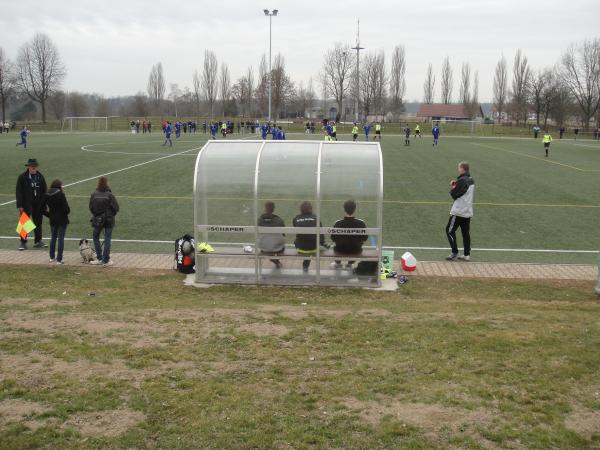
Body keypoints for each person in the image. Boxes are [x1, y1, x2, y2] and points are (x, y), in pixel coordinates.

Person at [446, 161, 475, 262]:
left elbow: (454, 194)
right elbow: (464, 189)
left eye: (459, 168)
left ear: (462, 169)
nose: (458, 169)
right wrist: (456, 183)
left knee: (449, 231)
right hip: (467, 211)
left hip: (459, 211)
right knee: (465, 233)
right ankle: (467, 254)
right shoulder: (471, 180)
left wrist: (453, 186)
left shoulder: (462, 180)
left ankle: (455, 252)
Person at [15, 158, 47, 250]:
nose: (33, 168)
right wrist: (20, 205)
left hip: (38, 203)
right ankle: (23, 242)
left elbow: (44, 191)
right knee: (24, 222)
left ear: (37, 167)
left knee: (38, 222)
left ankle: (38, 241)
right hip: (26, 204)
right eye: (32, 166)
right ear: (28, 167)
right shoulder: (22, 177)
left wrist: (45, 204)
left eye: (35, 166)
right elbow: (19, 192)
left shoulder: (40, 176)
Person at [89, 176, 119, 267]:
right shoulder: (109, 195)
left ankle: (99, 258)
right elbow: (116, 208)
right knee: (107, 239)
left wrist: (96, 214)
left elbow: (91, 207)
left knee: (95, 237)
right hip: (109, 220)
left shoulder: (94, 194)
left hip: (98, 219)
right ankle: (105, 260)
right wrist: (110, 214)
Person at [330, 200, 368, 270]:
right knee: (356, 245)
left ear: (344, 209)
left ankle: (338, 264)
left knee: (335, 246)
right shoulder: (361, 223)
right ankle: (350, 264)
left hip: (340, 250)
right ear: (355, 209)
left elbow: (333, 238)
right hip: (356, 250)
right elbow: (365, 238)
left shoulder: (337, 223)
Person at [41, 179, 70, 264]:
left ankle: (52, 257)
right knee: (61, 239)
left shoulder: (46, 195)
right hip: (62, 219)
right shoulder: (61, 195)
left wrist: (49, 215)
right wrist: (65, 212)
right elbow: (66, 209)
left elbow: (41, 209)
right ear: (59, 186)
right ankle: (59, 259)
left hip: (53, 219)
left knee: (53, 238)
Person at [293, 201, 327, 272]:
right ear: (311, 209)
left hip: (300, 248)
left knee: (303, 241)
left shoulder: (296, 218)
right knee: (312, 244)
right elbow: (321, 236)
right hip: (314, 248)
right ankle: (305, 265)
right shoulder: (316, 218)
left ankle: (305, 266)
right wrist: (322, 244)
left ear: (301, 209)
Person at [257, 201, 285, 269]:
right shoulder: (279, 220)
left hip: (264, 248)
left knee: (268, 246)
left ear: (265, 209)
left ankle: (276, 262)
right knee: (276, 245)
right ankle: (276, 262)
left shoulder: (259, 220)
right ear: (273, 209)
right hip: (278, 249)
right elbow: (283, 234)